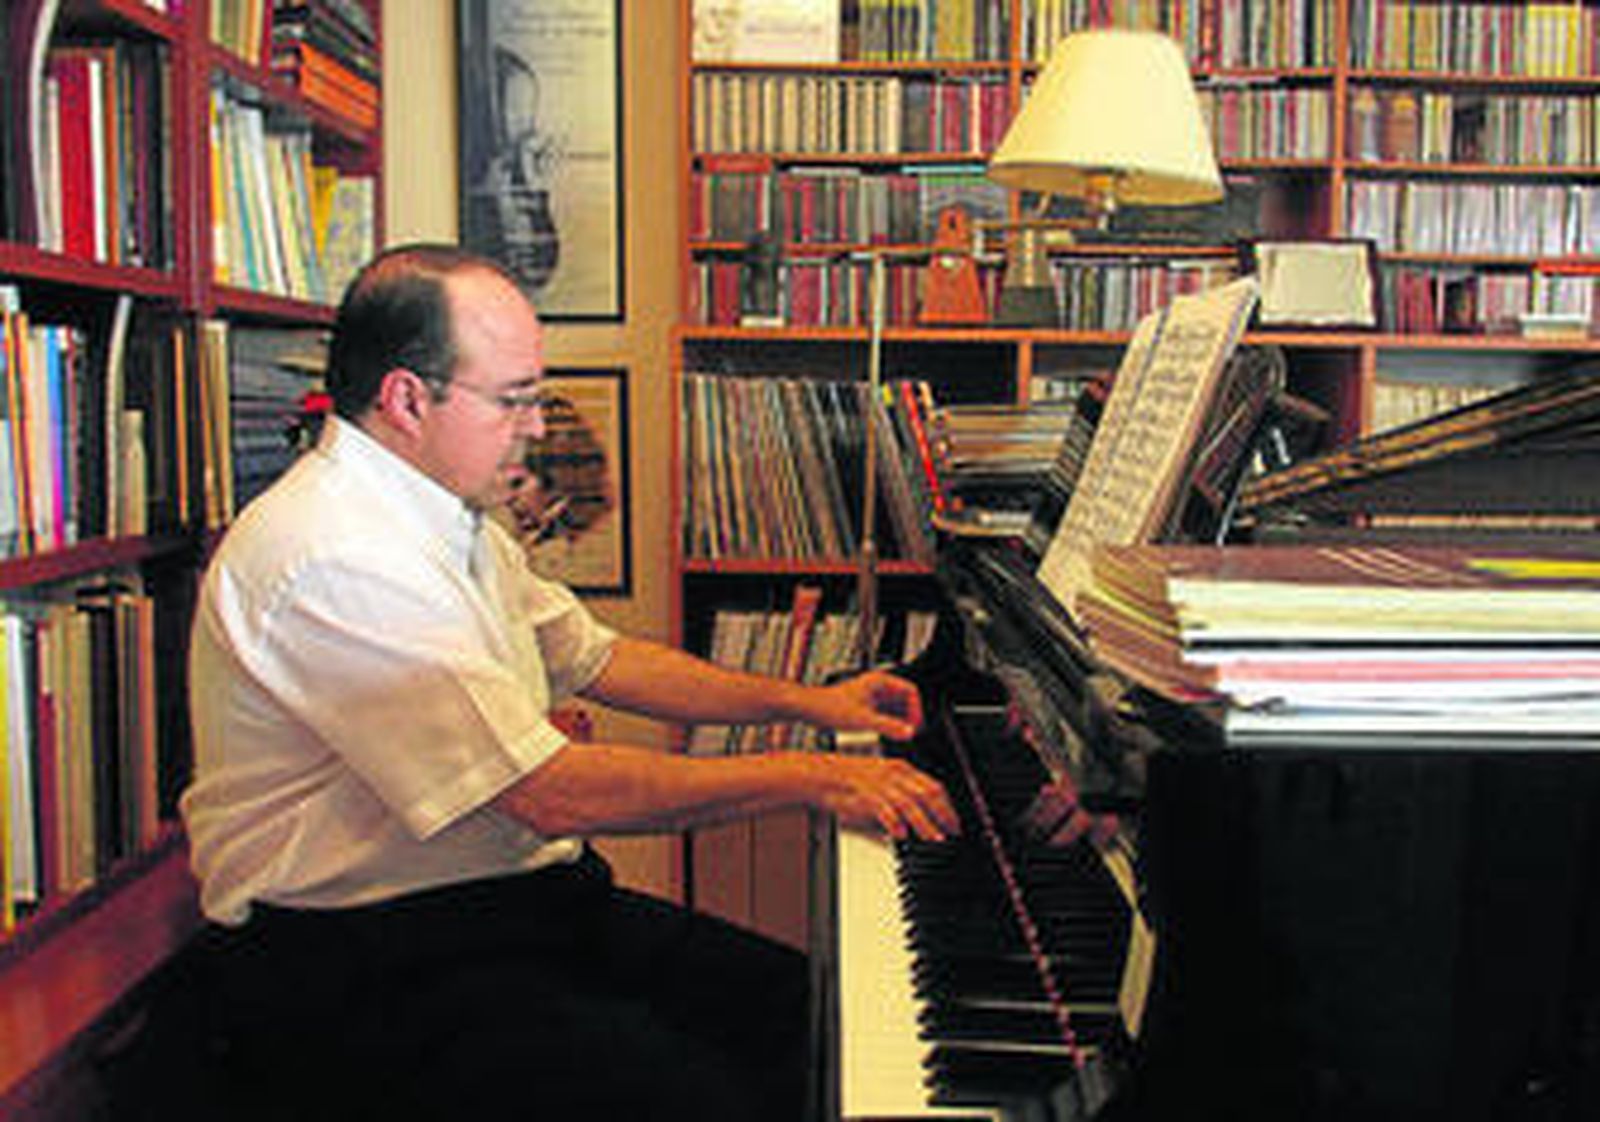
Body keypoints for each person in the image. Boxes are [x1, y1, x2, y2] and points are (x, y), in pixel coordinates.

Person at [180, 243, 960, 1121]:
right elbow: (550, 794)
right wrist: (810, 776)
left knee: (818, 1025)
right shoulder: (333, 552)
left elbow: (602, 657)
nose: (538, 428)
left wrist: (812, 703)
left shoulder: (449, 516)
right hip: (370, 969)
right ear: (406, 399)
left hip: (516, 909)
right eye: (512, 400)